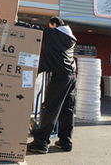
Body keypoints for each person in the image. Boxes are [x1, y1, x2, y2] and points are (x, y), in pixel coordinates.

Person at [24, 16, 77, 154]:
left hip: (60, 77)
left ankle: (41, 143)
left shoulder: (54, 33)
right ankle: (65, 142)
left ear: (53, 24)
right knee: (67, 110)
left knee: (50, 108)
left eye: (50, 26)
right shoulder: (70, 38)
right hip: (71, 76)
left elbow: (34, 30)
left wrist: (16, 22)